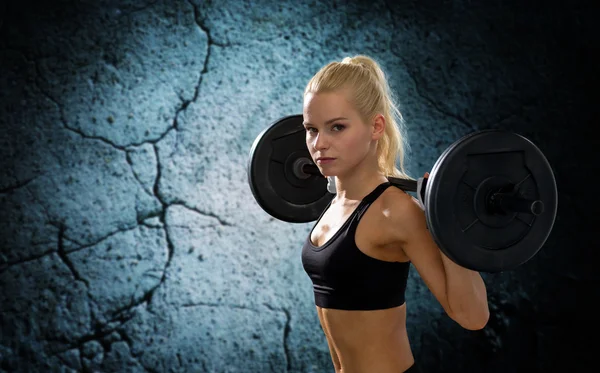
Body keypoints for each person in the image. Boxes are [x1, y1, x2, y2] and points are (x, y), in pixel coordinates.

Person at [300, 55, 490, 373]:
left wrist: (449, 226)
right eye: (311, 129)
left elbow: (473, 316)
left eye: (337, 127)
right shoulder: (335, 203)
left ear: (375, 127)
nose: (319, 144)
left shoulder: (395, 211)